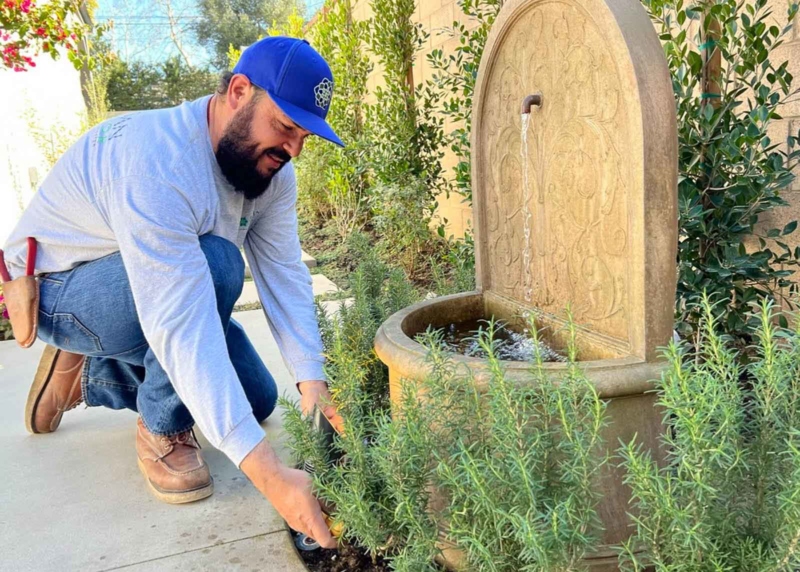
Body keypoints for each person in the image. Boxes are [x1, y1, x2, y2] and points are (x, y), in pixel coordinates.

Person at [2, 36, 343, 549]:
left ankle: (95, 372)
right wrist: (271, 478)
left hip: (151, 281)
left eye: (305, 135)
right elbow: (179, 322)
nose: (293, 149)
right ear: (239, 91)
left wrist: (312, 381)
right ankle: (160, 427)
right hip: (62, 289)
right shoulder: (157, 161)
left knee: (256, 399)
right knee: (218, 264)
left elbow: (284, 272)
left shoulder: (273, 171)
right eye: (285, 127)